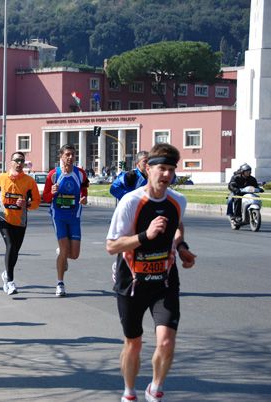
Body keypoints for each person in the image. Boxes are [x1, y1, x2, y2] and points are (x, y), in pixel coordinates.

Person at [106, 143, 197, 402]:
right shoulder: (130, 202)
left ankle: (155, 389)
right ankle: (129, 392)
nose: (166, 175)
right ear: (148, 169)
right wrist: (146, 235)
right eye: (161, 169)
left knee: (166, 342)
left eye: (171, 169)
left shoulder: (178, 200)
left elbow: (177, 225)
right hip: (132, 282)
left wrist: (181, 247)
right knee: (133, 344)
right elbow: (112, 246)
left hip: (165, 281)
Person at [0, 151, 41, 295]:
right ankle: (10, 281)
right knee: (10, 246)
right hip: (3, 217)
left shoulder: (29, 181)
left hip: (20, 221)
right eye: (16, 160)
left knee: (15, 250)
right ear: (10, 163)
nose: (19, 163)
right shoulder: (1, 178)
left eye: (22, 161)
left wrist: (26, 204)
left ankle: (6, 273)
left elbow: (37, 202)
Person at [42, 144, 89, 297]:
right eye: (67, 154)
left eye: (73, 154)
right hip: (59, 216)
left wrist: (84, 198)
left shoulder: (80, 173)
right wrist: (52, 192)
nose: (71, 157)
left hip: (75, 216)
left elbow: (84, 189)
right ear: (61, 156)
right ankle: (60, 284)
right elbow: (46, 197)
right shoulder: (53, 175)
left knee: (74, 254)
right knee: (64, 250)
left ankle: (62, 254)